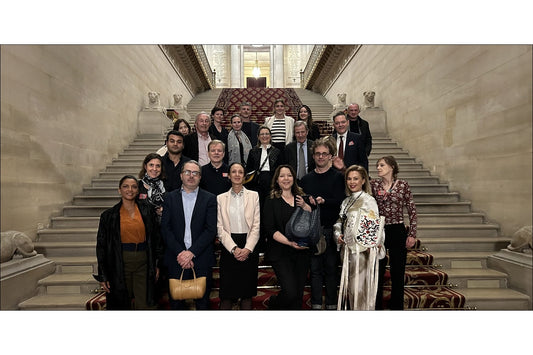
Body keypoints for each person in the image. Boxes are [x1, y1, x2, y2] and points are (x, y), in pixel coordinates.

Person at [94, 175, 162, 310]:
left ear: (138, 190)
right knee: (121, 304)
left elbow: (156, 239)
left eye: (134, 187)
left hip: (144, 260)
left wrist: (157, 263)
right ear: (119, 190)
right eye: (125, 186)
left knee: (146, 304)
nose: (130, 190)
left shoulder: (147, 211)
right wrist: (103, 274)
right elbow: (101, 246)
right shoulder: (108, 216)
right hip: (119, 261)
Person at [160, 160, 217, 310]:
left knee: (203, 304)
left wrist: (191, 253)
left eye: (195, 173)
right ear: (181, 175)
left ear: (200, 177)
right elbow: (166, 229)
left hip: (201, 258)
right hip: (176, 258)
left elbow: (211, 230)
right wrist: (181, 253)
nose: (191, 176)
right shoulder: (169, 198)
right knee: (176, 304)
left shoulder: (210, 199)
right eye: (187, 172)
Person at [300, 136, 345, 310]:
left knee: (332, 270)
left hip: (331, 230)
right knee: (315, 271)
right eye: (317, 154)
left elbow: (342, 201)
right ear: (313, 156)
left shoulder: (338, 178)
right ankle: (317, 305)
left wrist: (324, 201)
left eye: (324, 154)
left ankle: (332, 305)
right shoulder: (306, 180)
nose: (320, 157)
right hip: (312, 231)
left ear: (330, 156)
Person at [333, 165, 385, 310]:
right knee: (350, 290)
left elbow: (375, 226)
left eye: (356, 178)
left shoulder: (369, 200)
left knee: (360, 289)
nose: (352, 182)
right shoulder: (346, 201)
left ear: (363, 180)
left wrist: (374, 244)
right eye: (349, 179)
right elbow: (339, 222)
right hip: (347, 252)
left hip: (362, 253)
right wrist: (338, 235)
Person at [262, 165, 313, 310]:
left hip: (302, 252)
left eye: (289, 175)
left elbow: (311, 221)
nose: (286, 179)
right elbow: (270, 229)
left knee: (297, 295)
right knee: (290, 292)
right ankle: (274, 303)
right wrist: (290, 243)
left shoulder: (301, 197)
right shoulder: (271, 200)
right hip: (280, 252)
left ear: (294, 178)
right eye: (282, 176)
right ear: (277, 180)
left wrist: (305, 206)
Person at [370, 156, 418, 310]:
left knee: (398, 271)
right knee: (378, 269)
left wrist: (412, 233)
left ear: (391, 167)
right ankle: (376, 306)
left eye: (381, 165)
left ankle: (396, 307)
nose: (378, 168)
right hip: (380, 231)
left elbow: (412, 211)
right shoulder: (373, 184)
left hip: (397, 230)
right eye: (377, 165)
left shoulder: (403, 185)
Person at [216, 162, 261, 310]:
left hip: (249, 246)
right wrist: (234, 249)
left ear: (244, 176)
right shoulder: (221, 198)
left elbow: (256, 226)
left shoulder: (254, 196)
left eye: (240, 172)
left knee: (246, 294)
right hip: (229, 248)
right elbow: (220, 228)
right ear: (229, 176)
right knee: (227, 295)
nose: (237, 175)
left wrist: (247, 249)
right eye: (233, 172)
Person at [245, 126, 283, 208]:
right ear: (258, 137)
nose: (264, 136)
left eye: (266, 134)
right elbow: (249, 169)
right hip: (257, 182)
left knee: (272, 205)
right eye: (262, 134)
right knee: (258, 206)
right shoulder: (253, 151)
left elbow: (280, 169)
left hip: (272, 181)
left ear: (270, 136)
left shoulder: (277, 151)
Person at [138, 153, 166, 220]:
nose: (154, 169)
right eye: (151, 165)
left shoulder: (166, 185)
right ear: (145, 166)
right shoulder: (137, 186)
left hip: (162, 226)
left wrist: (164, 211)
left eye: (158, 166)